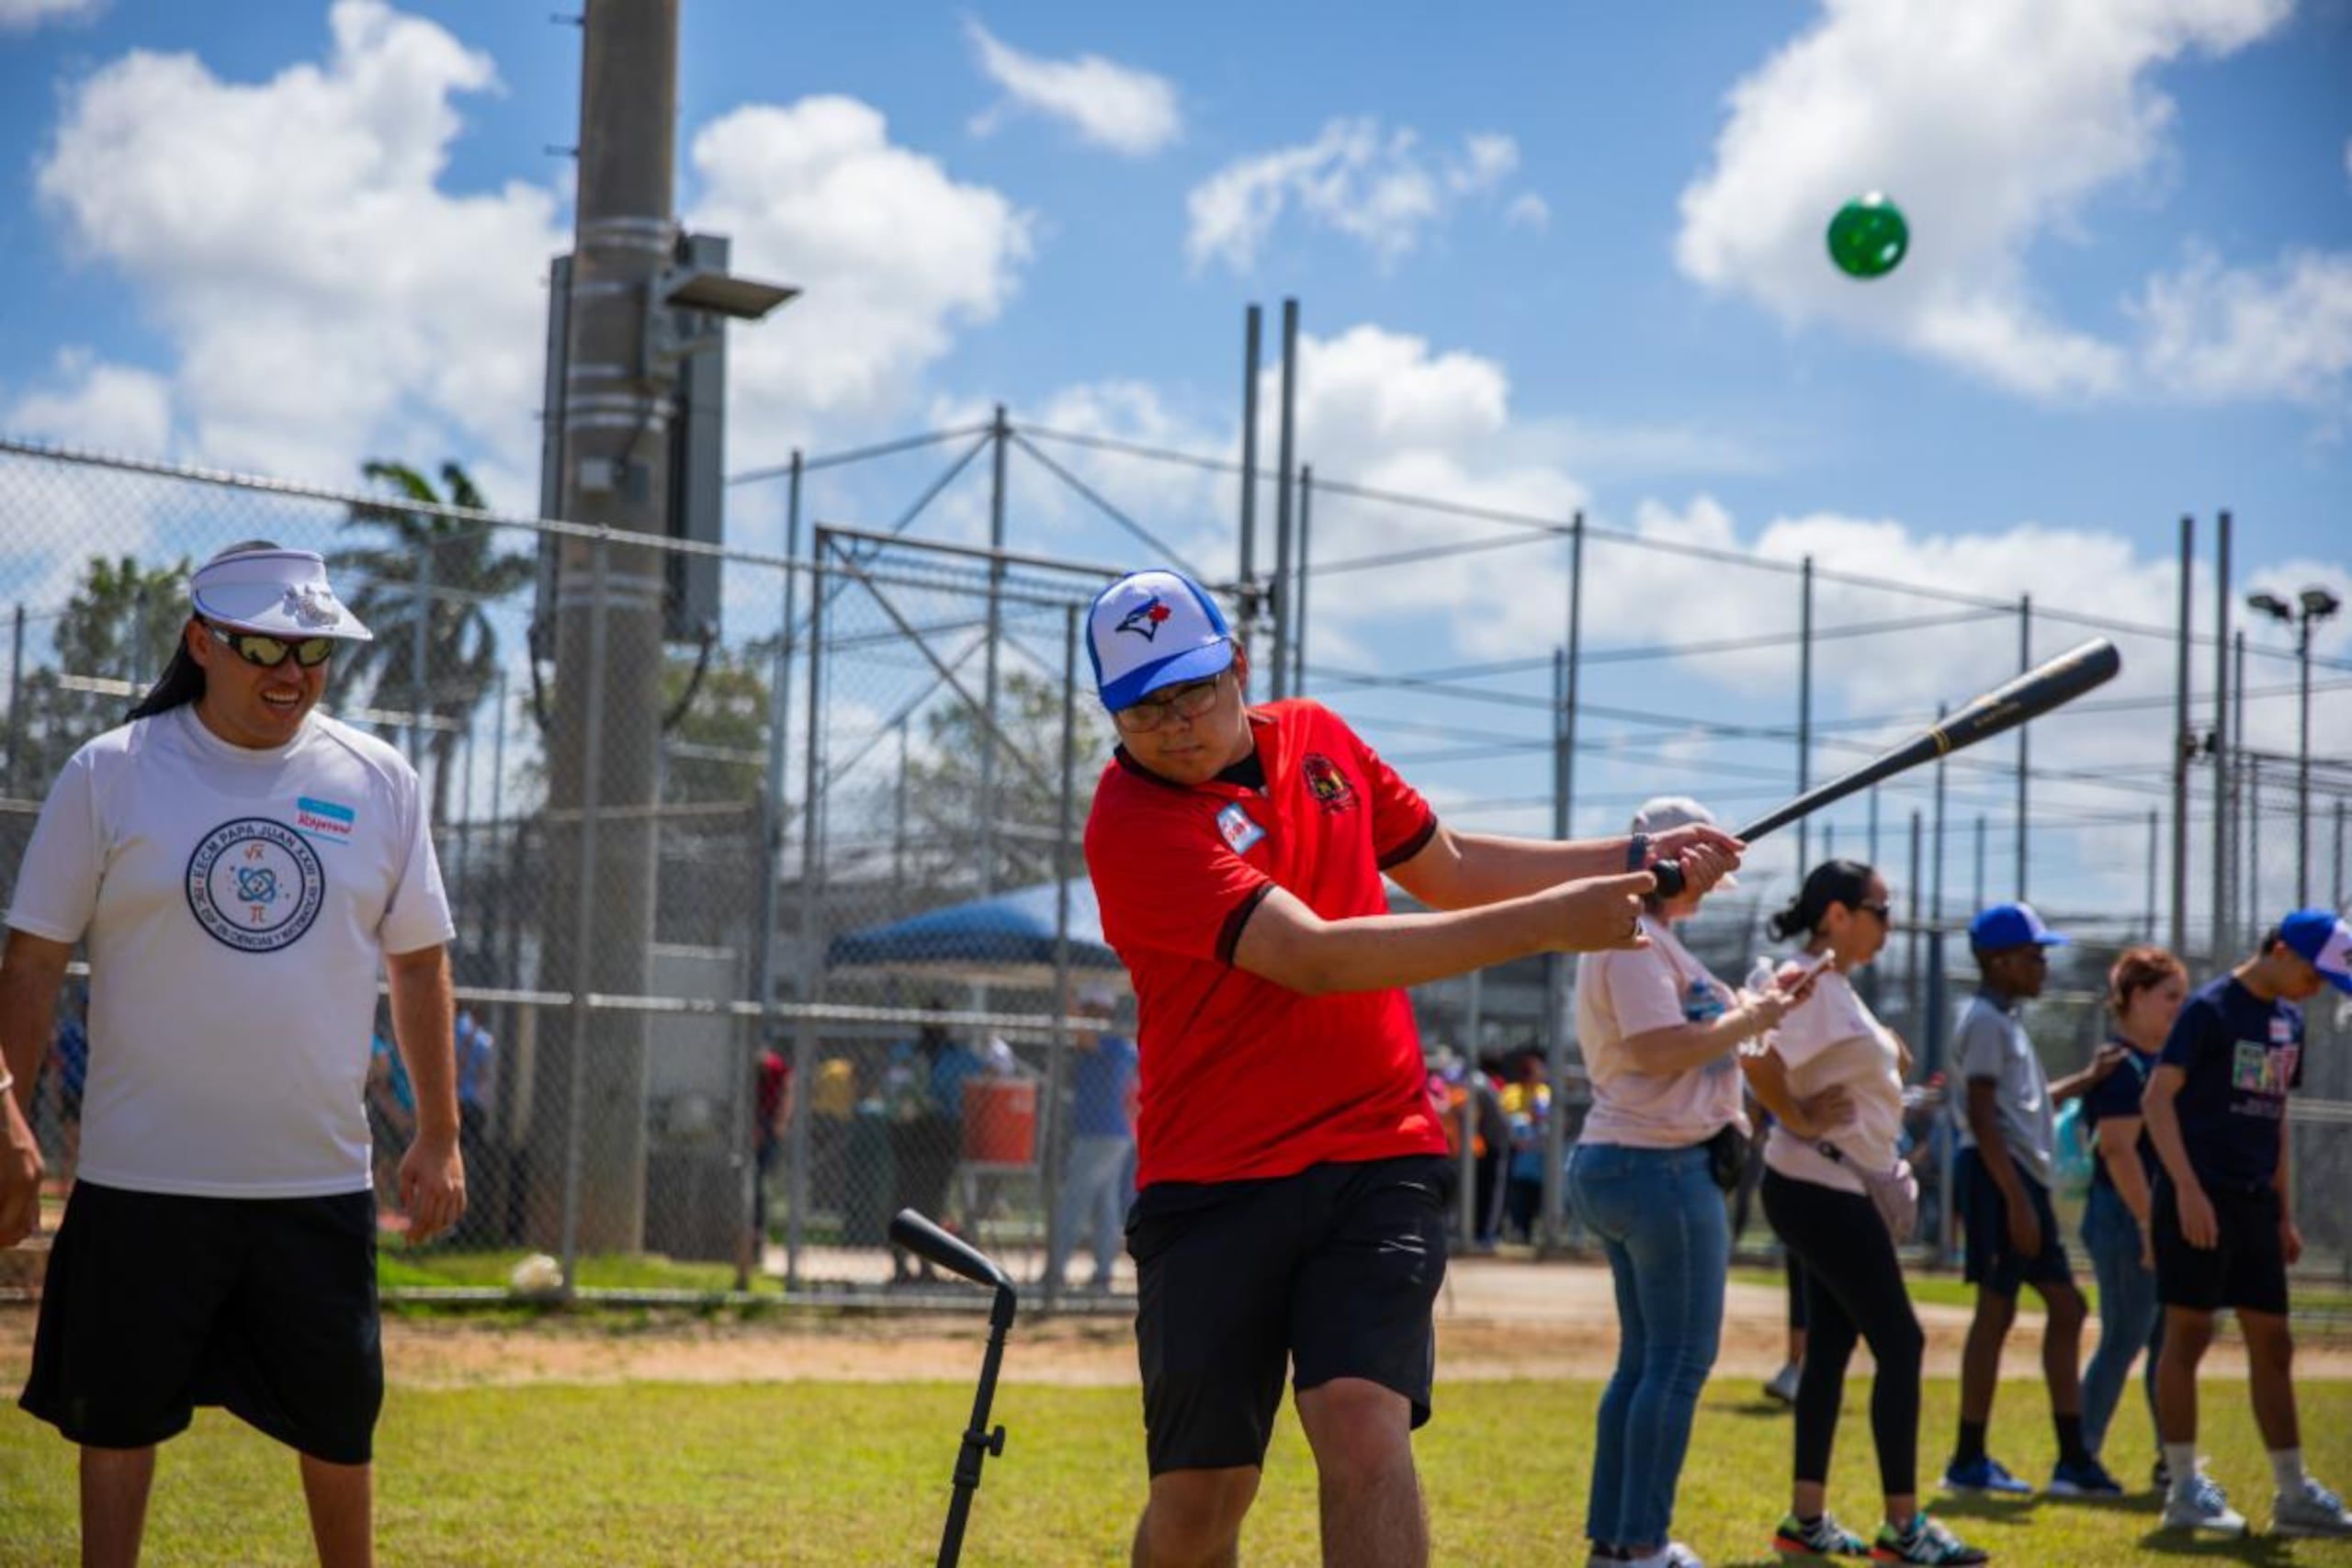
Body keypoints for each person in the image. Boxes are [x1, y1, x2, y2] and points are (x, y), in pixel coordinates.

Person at [1081, 569, 1739, 1568]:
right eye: (1142, 707)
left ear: (1237, 669)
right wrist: (1554, 925)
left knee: (1358, 1418)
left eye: (1191, 689)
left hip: (1377, 1150)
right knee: (1201, 1494)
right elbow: (1315, 955)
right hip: (1210, 1178)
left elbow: (1454, 865)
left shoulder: (1319, 740)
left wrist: (1631, 852)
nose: (1173, 723)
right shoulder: (1131, 824)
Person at [0, 542, 462, 1568]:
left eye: (314, 652)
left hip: (314, 1181)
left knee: (341, 1427)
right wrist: (10, 1119)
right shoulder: (110, 774)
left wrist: (440, 1132)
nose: (291, 674)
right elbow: (32, 960)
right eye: (264, 647)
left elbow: (420, 966)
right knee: (113, 1424)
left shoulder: (380, 780)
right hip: (138, 1176)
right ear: (201, 641)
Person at [1567, 796, 1821, 1568]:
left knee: (1646, 1362)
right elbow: (1656, 1048)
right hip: (1658, 1163)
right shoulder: (1632, 937)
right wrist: (1753, 1019)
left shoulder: (1652, 938)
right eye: (1698, 868)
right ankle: (1640, 1543)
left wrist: (1758, 1005)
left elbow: (1685, 1035)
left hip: (1640, 1159)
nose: (1706, 886)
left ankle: (1616, 1543)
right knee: (1675, 1363)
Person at [1748, 861, 1987, 1566]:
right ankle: (1904, 1527)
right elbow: (1752, 1048)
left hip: (1829, 1187)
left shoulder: (1832, 983)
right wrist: (1793, 1113)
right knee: (1903, 1343)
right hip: (1821, 1188)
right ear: (1835, 914)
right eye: (1879, 908)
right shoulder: (1807, 977)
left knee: (1830, 1347)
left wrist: (1885, 1053)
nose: (1888, 920)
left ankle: (1807, 1517)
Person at [2140, 909, 2352, 1539]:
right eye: (2314, 975)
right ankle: (2182, 1488)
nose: (2317, 989)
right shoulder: (2210, 1009)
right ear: (2282, 950)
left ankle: (2292, 1493)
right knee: (2189, 1334)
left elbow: (2275, 1114)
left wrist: (2283, 1211)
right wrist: (2185, 1189)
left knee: (2274, 1343)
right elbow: (2157, 1099)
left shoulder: (2289, 1020)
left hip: (2255, 1202)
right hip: (2197, 1198)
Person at [1941, 901, 2123, 1498]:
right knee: (1997, 1311)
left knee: (2066, 1308)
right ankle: (1970, 1457)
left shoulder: (2004, 1018)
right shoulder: (1989, 1021)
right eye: (2033, 955)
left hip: (2016, 1177)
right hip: (2002, 1178)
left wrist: (2084, 1080)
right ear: (2000, 961)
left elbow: (2023, 1101)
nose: (2043, 965)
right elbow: (1984, 1114)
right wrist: (2016, 1200)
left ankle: (2070, 1457)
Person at [2075, 946, 2189, 1493]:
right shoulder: (2122, 1065)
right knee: (2124, 1336)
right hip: (2126, 1217)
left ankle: (2175, 1461)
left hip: (2150, 1217)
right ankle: (2077, 1460)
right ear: (2137, 997)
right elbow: (2119, 1151)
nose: (2179, 1008)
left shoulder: (2158, 1063)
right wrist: (2148, 1226)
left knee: (2165, 1343)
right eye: (2170, 997)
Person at [1048, 982, 1138, 1292]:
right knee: (1105, 1206)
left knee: (1074, 1201)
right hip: (1117, 1134)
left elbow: (1084, 1034)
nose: (1082, 1015)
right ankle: (1102, 1274)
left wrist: (1064, 988)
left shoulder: (1110, 1043)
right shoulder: (1123, 1044)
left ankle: (1055, 1273)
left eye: (1088, 1010)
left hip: (1099, 1135)